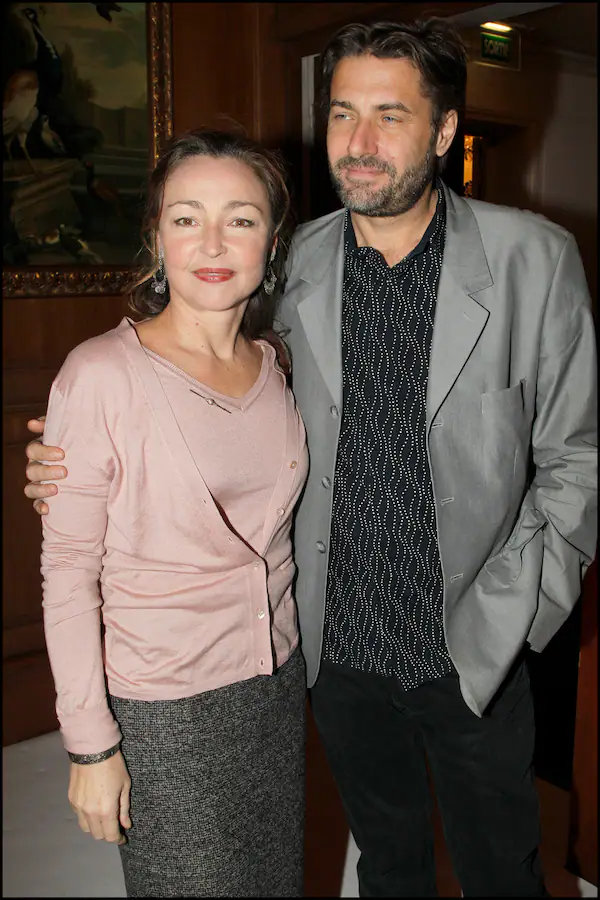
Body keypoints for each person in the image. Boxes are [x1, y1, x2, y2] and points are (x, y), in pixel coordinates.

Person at [25, 17, 598, 899]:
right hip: (337, 649)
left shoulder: (536, 261)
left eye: (390, 116)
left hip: (478, 639)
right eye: (340, 114)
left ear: (444, 130)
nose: (359, 144)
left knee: (501, 871)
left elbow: (577, 459)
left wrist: (525, 608)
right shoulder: (290, 265)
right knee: (389, 866)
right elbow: (195, 386)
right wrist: (73, 463)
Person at [24, 129, 309, 898]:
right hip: (164, 709)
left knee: (276, 881)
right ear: (156, 235)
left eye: (240, 219)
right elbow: (68, 571)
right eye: (186, 218)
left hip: (275, 687)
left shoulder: (277, 364)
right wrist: (90, 747)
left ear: (272, 241)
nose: (212, 241)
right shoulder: (101, 375)